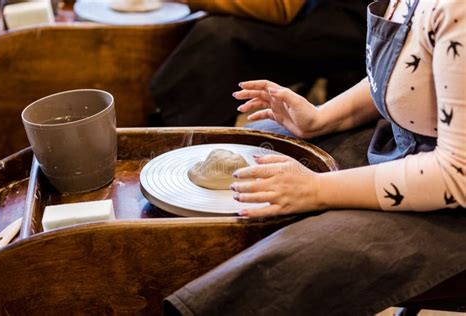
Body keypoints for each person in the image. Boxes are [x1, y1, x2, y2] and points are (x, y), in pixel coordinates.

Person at [163, 0, 466, 314]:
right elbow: (410, 69)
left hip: (450, 200)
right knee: (263, 142)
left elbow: (456, 175)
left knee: (285, 263)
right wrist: (322, 119)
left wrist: (317, 189)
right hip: (411, 148)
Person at [149, 0, 371, 127]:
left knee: (219, 37)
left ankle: (180, 142)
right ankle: (169, 128)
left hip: (359, 21)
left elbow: (280, 7)